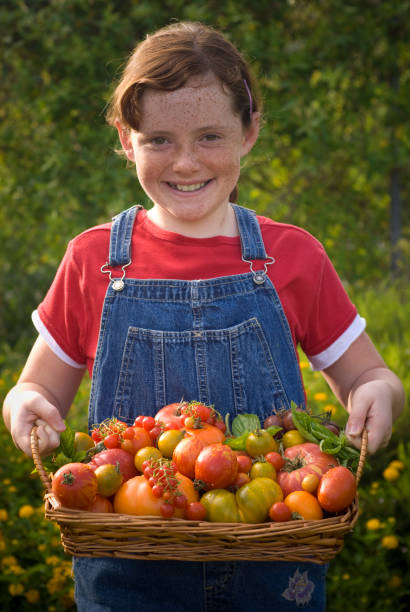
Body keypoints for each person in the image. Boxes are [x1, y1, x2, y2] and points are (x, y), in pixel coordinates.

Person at [3, 20, 404, 612]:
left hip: (274, 562)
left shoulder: (291, 255)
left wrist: (380, 395)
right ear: (125, 136)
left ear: (250, 132)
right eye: (159, 139)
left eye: (210, 136)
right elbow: (36, 389)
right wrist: (23, 408)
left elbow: (368, 377)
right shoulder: (93, 260)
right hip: (128, 571)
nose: (186, 163)